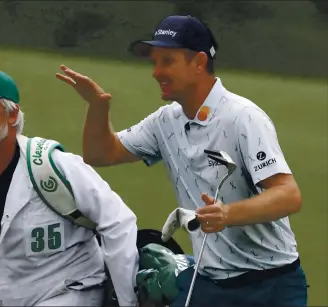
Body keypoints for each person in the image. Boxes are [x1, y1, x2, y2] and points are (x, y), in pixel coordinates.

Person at [55, 14, 308, 306]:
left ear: (199, 62)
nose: (155, 72)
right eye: (154, 62)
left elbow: (289, 195)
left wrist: (227, 215)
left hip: (272, 285)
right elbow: (101, 154)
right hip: (211, 282)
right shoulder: (166, 121)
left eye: (167, 61)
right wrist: (98, 107)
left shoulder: (243, 117)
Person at [0, 66, 140, 306]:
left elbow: (117, 220)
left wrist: (129, 301)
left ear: (12, 115)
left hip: (73, 293)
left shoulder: (51, 165)